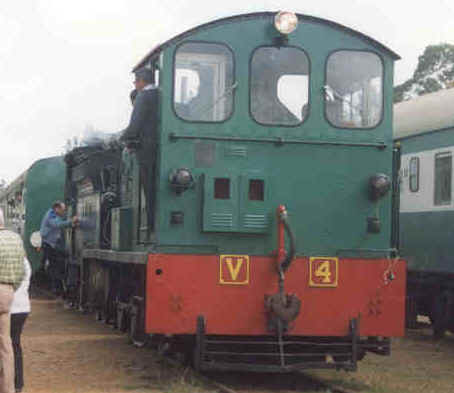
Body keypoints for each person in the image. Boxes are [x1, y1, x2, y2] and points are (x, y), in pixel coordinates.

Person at [0, 208, 25, 393]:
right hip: (7, 292)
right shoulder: (16, 239)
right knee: (6, 344)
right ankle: (8, 389)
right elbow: (22, 272)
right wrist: (10, 288)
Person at [40, 201, 78, 297]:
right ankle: (56, 289)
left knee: (56, 265)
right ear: (56, 208)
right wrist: (71, 221)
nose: (63, 212)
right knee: (55, 266)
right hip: (49, 245)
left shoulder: (53, 214)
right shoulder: (51, 216)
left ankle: (58, 287)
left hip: (51, 244)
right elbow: (57, 224)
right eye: (62, 210)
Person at [10, 257, 31, 393]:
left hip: (8, 307)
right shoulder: (24, 262)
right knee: (15, 344)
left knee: (5, 346)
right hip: (23, 307)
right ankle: (18, 384)